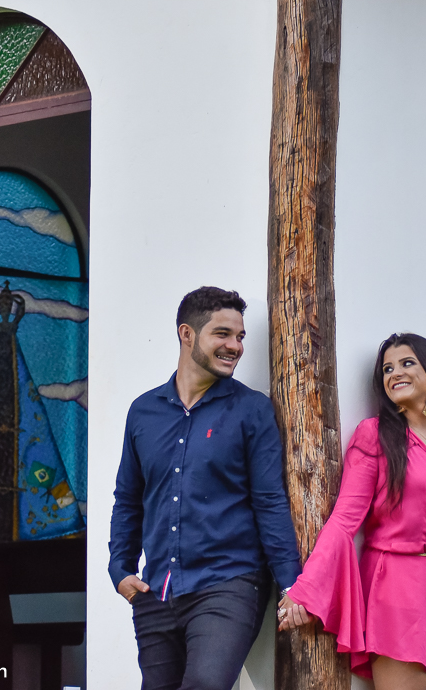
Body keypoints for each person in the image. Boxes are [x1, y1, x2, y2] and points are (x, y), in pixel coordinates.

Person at [276, 333, 426, 690]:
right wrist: (306, 588)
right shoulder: (375, 434)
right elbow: (345, 520)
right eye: (387, 368)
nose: (395, 373)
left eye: (407, 363)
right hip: (399, 591)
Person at [109, 286, 302, 690]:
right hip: (156, 591)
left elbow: (269, 501)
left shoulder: (252, 410)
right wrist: (120, 569)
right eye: (223, 334)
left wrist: (292, 584)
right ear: (187, 334)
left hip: (228, 583)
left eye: (240, 337)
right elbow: (129, 498)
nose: (235, 346)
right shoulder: (143, 411)